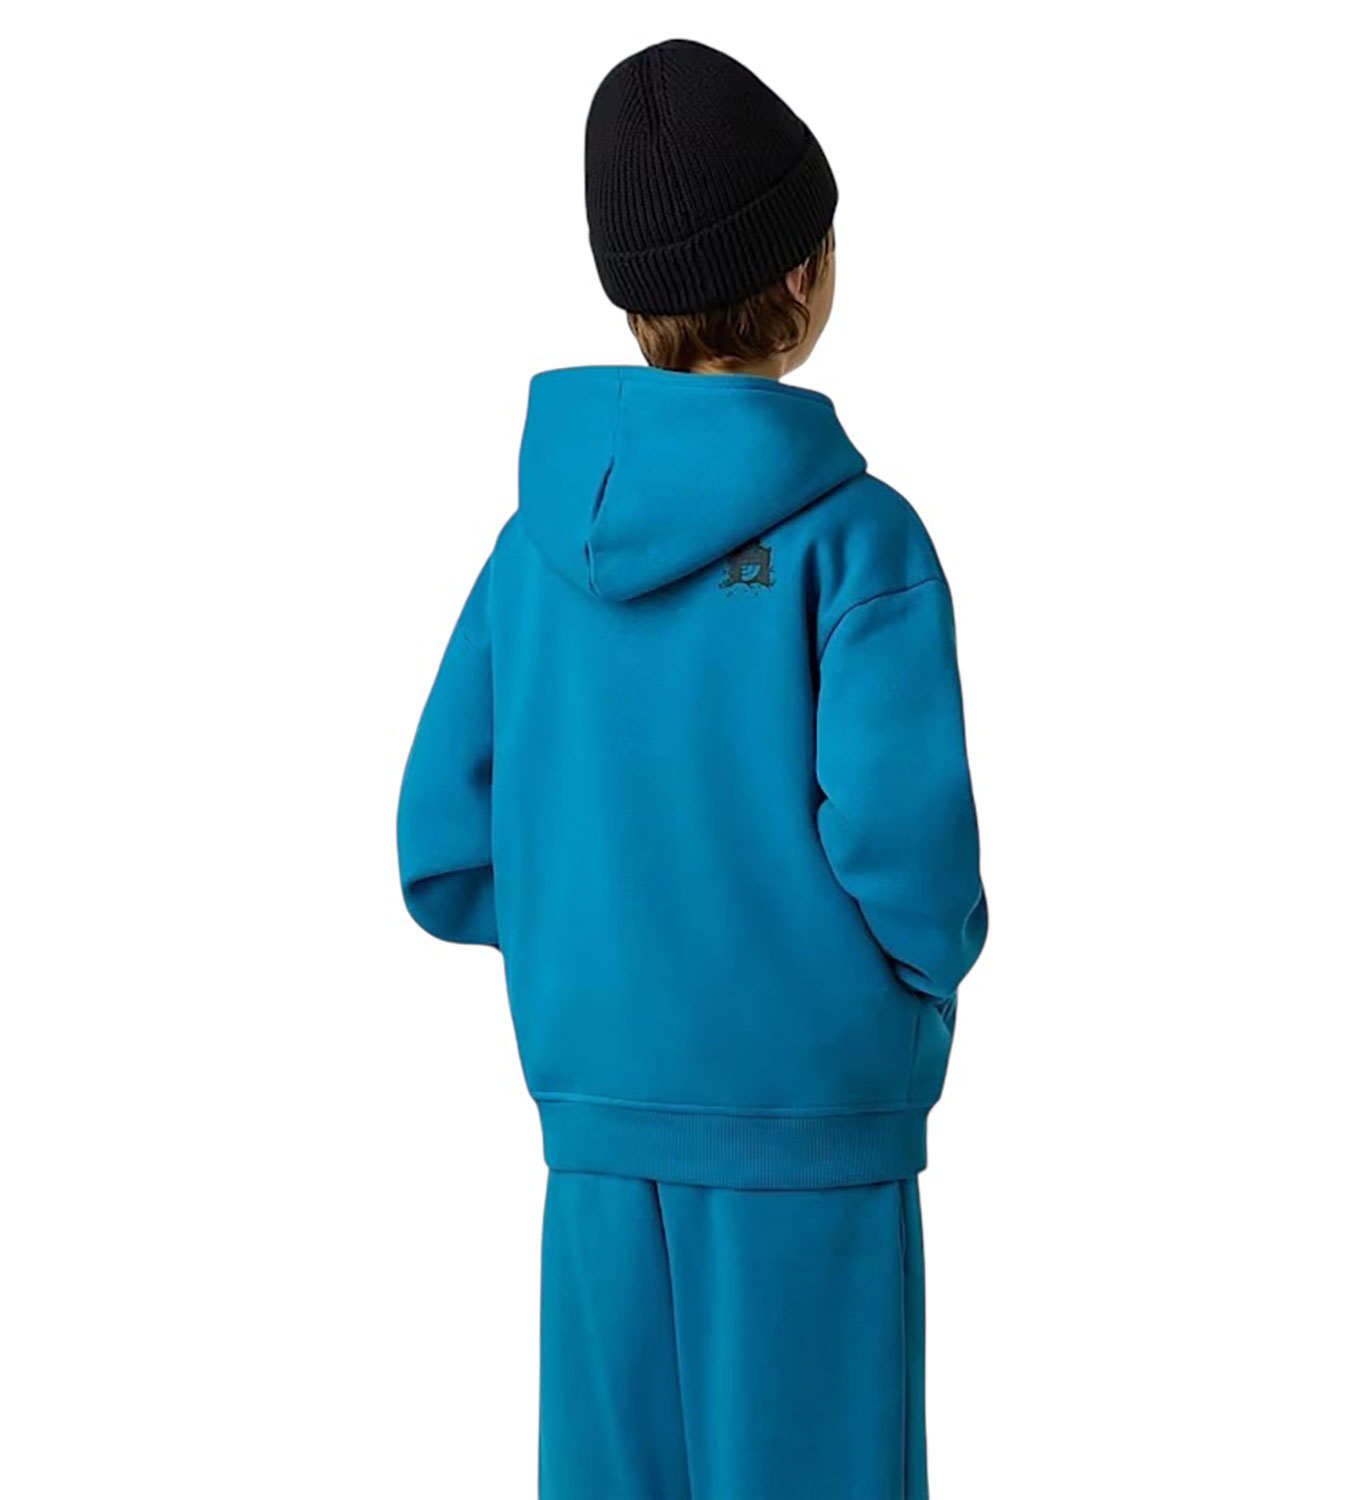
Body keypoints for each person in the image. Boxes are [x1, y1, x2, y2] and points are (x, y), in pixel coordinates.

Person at [398, 38, 987, 1500]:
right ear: (804, 275)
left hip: (596, 1133)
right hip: (813, 1128)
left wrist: (609, 950)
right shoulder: (859, 541)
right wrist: (890, 993)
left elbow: (443, 838)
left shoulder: (530, 553)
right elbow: (910, 858)